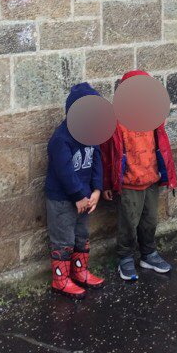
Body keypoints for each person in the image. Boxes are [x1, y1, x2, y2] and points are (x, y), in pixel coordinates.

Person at [101, 70, 177, 282]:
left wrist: (168, 173)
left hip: (151, 178)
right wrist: (106, 182)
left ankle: (149, 254)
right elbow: (107, 154)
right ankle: (125, 257)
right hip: (129, 182)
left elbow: (162, 146)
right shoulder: (115, 121)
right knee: (128, 223)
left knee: (150, 221)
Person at [45, 82, 105, 299]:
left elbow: (98, 159)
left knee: (82, 235)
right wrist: (78, 195)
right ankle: (60, 279)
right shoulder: (61, 139)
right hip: (63, 199)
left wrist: (97, 189)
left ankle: (80, 271)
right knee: (64, 239)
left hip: (86, 197)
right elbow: (64, 171)